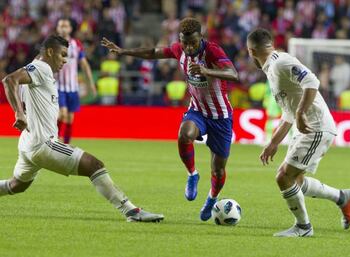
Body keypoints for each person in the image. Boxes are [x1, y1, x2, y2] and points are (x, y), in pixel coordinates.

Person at [1, 35, 164, 223]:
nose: (65, 60)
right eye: (62, 55)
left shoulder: (36, 69)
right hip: (43, 144)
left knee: (17, 185)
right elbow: (9, 80)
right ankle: (132, 211)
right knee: (94, 165)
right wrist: (19, 114)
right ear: (50, 52)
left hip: (28, 143)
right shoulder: (41, 67)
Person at [101, 17, 239, 221]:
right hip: (198, 110)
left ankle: (212, 198)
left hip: (221, 116)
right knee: (184, 134)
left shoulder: (212, 51)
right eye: (184, 42)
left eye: (192, 42)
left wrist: (206, 70)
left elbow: (233, 73)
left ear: (201, 38)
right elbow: (153, 53)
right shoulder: (179, 49)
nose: (188, 47)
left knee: (218, 170)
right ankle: (192, 174)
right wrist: (124, 51)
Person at [246, 28, 350, 237]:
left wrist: (301, 112)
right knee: (295, 181)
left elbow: (312, 81)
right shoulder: (272, 68)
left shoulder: (280, 63)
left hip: (315, 126)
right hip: (306, 126)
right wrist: (273, 143)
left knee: (283, 177)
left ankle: (303, 228)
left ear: (251, 51)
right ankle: (342, 197)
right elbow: (288, 114)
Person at [56, 17, 97, 144]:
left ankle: (65, 145)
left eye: (65, 26)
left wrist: (91, 84)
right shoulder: (52, 44)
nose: (63, 28)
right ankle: (54, 141)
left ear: (70, 29)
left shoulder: (76, 44)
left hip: (72, 87)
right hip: (58, 86)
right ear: (57, 28)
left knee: (69, 118)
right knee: (61, 114)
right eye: (61, 26)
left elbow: (84, 65)